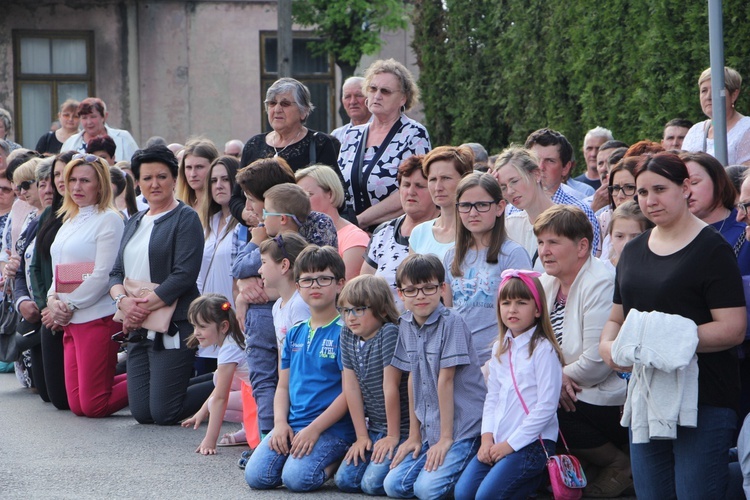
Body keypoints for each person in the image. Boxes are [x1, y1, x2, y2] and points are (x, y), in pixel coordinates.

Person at [600, 152, 746, 498]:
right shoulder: (633, 251)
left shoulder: (713, 248)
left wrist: (654, 342)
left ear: (685, 189)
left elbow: (733, 327)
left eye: (660, 189)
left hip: (705, 399)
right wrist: (609, 349)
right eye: (642, 192)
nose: (650, 200)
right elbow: (615, 319)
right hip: (647, 397)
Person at [534, 204, 630, 497]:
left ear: (582, 246)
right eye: (540, 242)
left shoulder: (600, 282)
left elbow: (597, 361)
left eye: (553, 242)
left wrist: (552, 380)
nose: (544, 250)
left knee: (546, 407)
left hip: (603, 392)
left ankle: (620, 464)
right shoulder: (546, 282)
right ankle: (582, 465)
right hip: (568, 385)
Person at [109, 145, 207, 425]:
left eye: (162, 176)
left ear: (175, 179)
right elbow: (116, 272)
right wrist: (123, 303)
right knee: (143, 414)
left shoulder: (185, 218)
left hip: (173, 324)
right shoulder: (135, 221)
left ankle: (225, 384)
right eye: (147, 177)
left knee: (165, 413)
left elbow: (183, 275)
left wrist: (139, 309)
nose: (155, 184)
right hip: (139, 327)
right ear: (137, 182)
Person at [244, 245, 355, 492]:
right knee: (257, 476)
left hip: (331, 429)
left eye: (323, 279)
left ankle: (337, 460)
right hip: (293, 423)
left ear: (340, 284)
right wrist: (281, 423)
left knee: (298, 479)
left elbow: (349, 394)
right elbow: (283, 386)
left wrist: (314, 429)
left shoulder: (345, 332)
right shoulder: (295, 332)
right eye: (307, 280)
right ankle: (297, 452)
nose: (314, 285)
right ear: (297, 286)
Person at [383, 253, 485, 499]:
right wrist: (414, 435)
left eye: (428, 288)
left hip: (462, 428)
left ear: (442, 288)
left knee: (427, 490)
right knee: (393, 485)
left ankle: (472, 467)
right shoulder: (405, 323)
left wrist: (446, 439)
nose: (420, 295)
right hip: (431, 429)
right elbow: (412, 379)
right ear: (400, 294)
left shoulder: (453, 323)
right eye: (411, 290)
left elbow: (446, 380)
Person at [454, 270, 563, 500]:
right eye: (506, 302)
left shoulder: (543, 349)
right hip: (499, 440)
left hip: (531, 443)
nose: (512, 309)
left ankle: (537, 478)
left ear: (537, 309)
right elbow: (492, 397)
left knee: (486, 496)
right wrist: (487, 438)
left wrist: (509, 446)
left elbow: (546, 406)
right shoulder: (499, 348)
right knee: (463, 493)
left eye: (521, 302)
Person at [46, 154, 127, 417]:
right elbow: (57, 270)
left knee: (94, 406)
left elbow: (103, 275)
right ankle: (144, 377)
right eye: (72, 180)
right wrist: (51, 301)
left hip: (97, 318)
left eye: (85, 180)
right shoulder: (69, 219)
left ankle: (156, 381)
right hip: (71, 319)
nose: (76, 187)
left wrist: (66, 304)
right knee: (78, 404)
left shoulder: (110, 219)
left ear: (100, 185)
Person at [444, 172, 532, 364]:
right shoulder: (451, 256)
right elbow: (448, 311)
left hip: (498, 360)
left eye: (482, 205)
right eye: (465, 206)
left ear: (499, 207)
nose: (473, 213)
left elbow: (527, 316)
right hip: (458, 359)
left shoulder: (513, 254)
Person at [334, 275, 410, 495]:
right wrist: (361, 437)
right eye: (346, 310)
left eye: (359, 309)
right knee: (345, 481)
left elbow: (391, 387)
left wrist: (393, 436)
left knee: (371, 484)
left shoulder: (389, 333)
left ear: (382, 310)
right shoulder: (347, 334)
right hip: (374, 428)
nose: (351, 317)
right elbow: (351, 388)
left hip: (400, 428)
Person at [232, 78, 343, 223]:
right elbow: (236, 197)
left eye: (285, 104)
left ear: (303, 112)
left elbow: (337, 193)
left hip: (302, 235)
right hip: (259, 236)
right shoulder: (254, 144)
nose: (277, 109)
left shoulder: (320, 143)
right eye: (272, 103)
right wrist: (246, 215)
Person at [338, 59, 431, 228]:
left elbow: (414, 190)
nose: (377, 95)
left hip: (393, 232)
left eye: (385, 91)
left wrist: (359, 221)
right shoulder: (351, 135)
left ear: (403, 98)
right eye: (372, 89)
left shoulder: (414, 134)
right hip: (349, 231)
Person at [361, 155, 439, 309]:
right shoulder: (383, 232)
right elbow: (363, 287)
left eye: (419, 186)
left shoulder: (446, 231)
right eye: (406, 185)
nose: (411, 192)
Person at [29, 151, 74, 409]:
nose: (60, 179)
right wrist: (46, 305)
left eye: (65, 173)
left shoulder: (87, 216)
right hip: (50, 310)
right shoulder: (49, 214)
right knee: (50, 395)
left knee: (68, 399)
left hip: (74, 309)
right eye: (56, 174)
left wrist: (60, 305)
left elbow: (84, 269)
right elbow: (35, 266)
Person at [181, 294, 248, 455]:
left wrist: (210, 440)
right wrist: (202, 412)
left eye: (202, 327)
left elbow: (220, 398)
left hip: (266, 399)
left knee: (215, 404)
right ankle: (250, 428)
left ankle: (257, 426)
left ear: (223, 326)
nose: (196, 332)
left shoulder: (230, 349)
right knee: (219, 376)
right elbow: (220, 388)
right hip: (261, 392)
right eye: (194, 326)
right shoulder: (233, 338)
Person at [517, 128, 602, 254]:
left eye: (550, 161)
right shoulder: (514, 207)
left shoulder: (581, 212)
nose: (540, 167)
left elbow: (589, 262)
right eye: (535, 160)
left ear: (565, 168)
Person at [12, 160, 56, 401]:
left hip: (54, 314)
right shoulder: (34, 221)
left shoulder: (66, 221)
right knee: (42, 390)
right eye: (42, 184)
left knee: (55, 395)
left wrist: (44, 304)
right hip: (34, 316)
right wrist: (21, 300)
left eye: (54, 182)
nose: (48, 189)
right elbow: (22, 268)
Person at [296, 164, 370, 281]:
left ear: (330, 194)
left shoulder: (354, 238)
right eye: (298, 197)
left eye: (308, 195)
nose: (301, 203)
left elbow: (344, 289)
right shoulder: (296, 234)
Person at [681, 152, 750, 274]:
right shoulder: (672, 235)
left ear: (718, 182)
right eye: (681, 186)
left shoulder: (745, 229)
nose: (687, 192)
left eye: (694, 182)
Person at [409, 145, 474, 261]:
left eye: (446, 178)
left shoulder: (477, 231)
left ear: (465, 179)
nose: (438, 187)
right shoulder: (419, 233)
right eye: (432, 180)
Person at [682, 67, 750, 165]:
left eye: (715, 90)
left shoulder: (747, 128)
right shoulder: (694, 131)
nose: (708, 97)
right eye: (704, 90)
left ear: (734, 95)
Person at [196, 155, 241, 303]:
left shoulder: (244, 226)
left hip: (236, 314)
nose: (219, 185)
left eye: (226, 179)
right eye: (214, 181)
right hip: (207, 313)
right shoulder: (207, 224)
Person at [258, 232, 310, 352]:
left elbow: (302, 354)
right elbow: (282, 357)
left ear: (284, 265)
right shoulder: (277, 306)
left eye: (264, 262)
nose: (259, 270)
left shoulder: (299, 305)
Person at [61, 98, 139, 162]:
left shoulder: (123, 138)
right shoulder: (70, 143)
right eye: (84, 118)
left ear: (104, 116)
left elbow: (137, 165)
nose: (89, 122)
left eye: (93, 117)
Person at [604, 200, 653, 273]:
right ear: (611, 237)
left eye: (636, 237)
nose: (626, 243)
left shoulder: (653, 271)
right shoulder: (601, 270)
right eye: (620, 236)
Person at [176, 137, 218, 210]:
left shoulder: (223, 208)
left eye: (199, 167)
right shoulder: (181, 207)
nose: (193, 174)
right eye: (189, 167)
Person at [331, 77, 372, 142]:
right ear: (342, 101)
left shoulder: (386, 132)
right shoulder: (337, 136)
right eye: (347, 97)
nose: (352, 102)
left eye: (359, 95)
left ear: (370, 98)